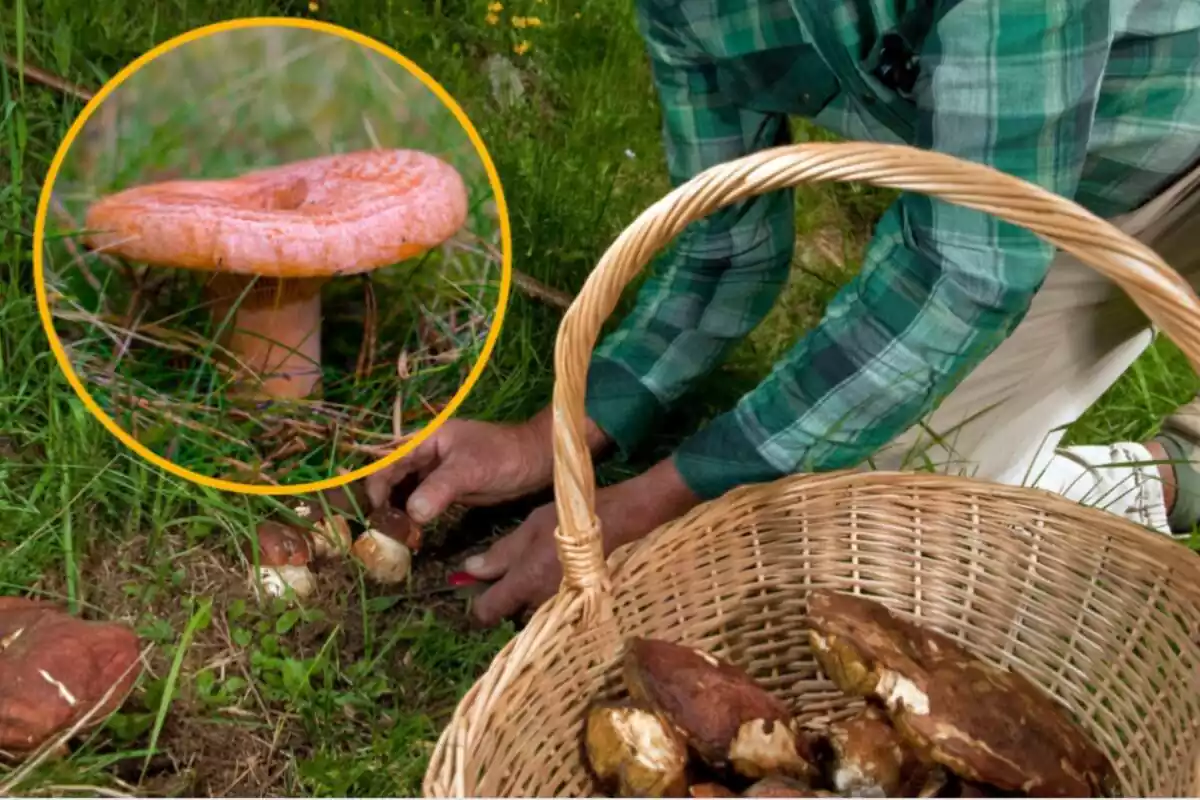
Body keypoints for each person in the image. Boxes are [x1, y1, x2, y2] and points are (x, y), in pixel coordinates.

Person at [369, 0, 1200, 626]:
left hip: (1172, 151)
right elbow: (727, 250)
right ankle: (1157, 479)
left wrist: (658, 498)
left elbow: (961, 276)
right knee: (884, 528)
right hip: (1061, 191)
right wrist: (560, 431)